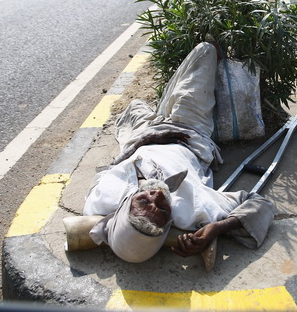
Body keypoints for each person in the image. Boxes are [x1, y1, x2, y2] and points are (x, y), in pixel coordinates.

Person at [82, 41, 275, 263]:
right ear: (168, 222)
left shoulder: (101, 200)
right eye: (163, 210)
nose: (157, 197)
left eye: (143, 202)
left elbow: (110, 169)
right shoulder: (191, 209)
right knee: (206, 50)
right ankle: (172, 101)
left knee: (133, 107)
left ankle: (162, 108)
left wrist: (146, 140)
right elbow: (261, 204)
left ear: (124, 209)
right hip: (188, 132)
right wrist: (216, 228)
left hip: (144, 134)